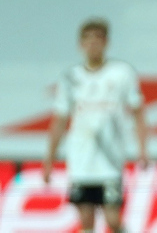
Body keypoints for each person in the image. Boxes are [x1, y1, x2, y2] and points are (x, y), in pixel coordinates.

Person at [43, 18, 148, 233]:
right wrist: (49, 159)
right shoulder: (71, 77)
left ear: (106, 42)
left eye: (98, 39)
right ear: (80, 44)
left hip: (110, 160)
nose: (93, 44)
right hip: (81, 160)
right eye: (88, 39)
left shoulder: (122, 73)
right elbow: (60, 119)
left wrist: (142, 150)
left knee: (112, 219)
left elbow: (137, 111)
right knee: (86, 220)